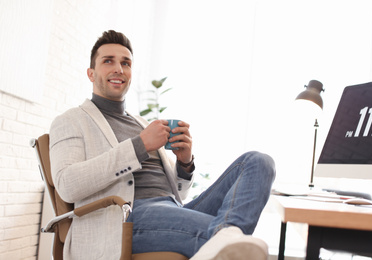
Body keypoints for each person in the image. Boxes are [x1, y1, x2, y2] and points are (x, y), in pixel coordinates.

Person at [49, 30, 276, 260]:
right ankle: (222, 239)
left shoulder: (141, 123)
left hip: (172, 209)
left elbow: (180, 194)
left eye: (125, 63)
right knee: (230, 239)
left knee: (259, 161)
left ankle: (223, 238)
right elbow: (67, 185)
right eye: (108, 61)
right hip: (125, 219)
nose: (119, 68)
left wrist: (184, 162)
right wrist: (139, 145)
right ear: (91, 73)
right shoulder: (71, 121)